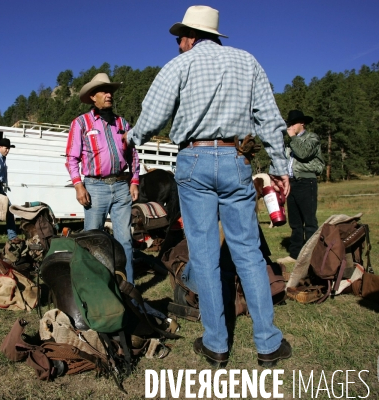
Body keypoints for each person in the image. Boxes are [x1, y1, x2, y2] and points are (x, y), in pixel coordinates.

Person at [124, 5, 292, 367]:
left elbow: (152, 115)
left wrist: (132, 136)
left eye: (178, 38)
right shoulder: (248, 62)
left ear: (190, 36)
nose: (177, 44)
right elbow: (270, 118)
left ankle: (216, 344)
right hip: (235, 159)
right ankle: (267, 343)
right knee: (248, 251)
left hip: (194, 160)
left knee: (204, 254)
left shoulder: (179, 66)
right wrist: (281, 168)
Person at [65, 73, 140, 283]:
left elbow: (133, 154)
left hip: (121, 186)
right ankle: (94, 286)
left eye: (110, 91)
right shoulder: (81, 123)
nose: (109, 95)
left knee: (125, 240)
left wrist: (134, 181)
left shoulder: (122, 123)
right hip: (95, 187)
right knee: (92, 239)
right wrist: (78, 185)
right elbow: (71, 158)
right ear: (92, 97)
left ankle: (128, 288)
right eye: (104, 91)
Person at [277, 110, 324, 264]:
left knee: (309, 221)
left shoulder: (312, 138)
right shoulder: (291, 142)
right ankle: (295, 254)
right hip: (292, 183)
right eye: (288, 124)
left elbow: (303, 153)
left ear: (301, 123)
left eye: (292, 124)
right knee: (295, 222)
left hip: (306, 182)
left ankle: (310, 255)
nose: (290, 127)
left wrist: (292, 138)